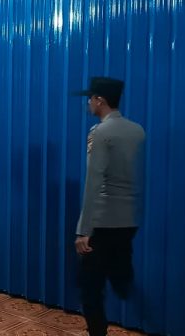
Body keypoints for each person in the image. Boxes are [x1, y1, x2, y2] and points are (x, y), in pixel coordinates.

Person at [73, 77, 146, 336]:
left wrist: (84, 230)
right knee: (118, 270)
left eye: (90, 98)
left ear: (100, 100)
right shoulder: (137, 130)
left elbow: (94, 182)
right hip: (129, 219)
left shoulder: (100, 133)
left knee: (89, 287)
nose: (88, 103)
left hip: (103, 221)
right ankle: (122, 279)